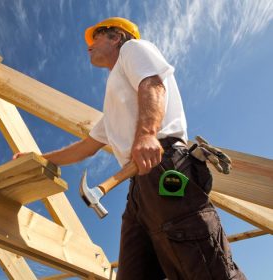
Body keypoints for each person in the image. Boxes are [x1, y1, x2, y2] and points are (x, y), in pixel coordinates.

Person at [14, 17, 246, 279]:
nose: (88, 46)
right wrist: (38, 157)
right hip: (138, 187)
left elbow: (153, 83)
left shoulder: (132, 49)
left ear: (116, 37)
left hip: (163, 164)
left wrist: (147, 133)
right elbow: (86, 148)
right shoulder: (115, 99)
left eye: (96, 38)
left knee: (204, 265)